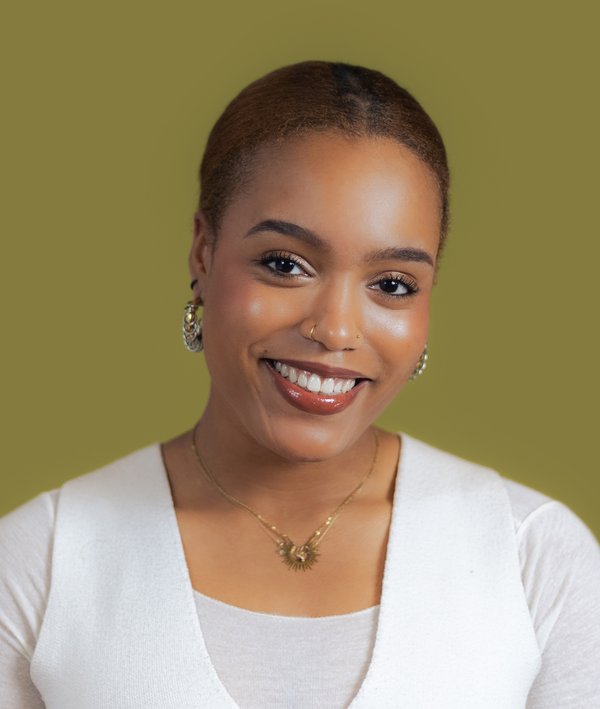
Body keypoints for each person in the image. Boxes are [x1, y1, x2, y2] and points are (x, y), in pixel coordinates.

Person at [1, 60, 599, 709]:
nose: (335, 329)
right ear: (203, 253)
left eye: (392, 283)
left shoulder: (531, 556)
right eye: (285, 264)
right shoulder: (41, 562)